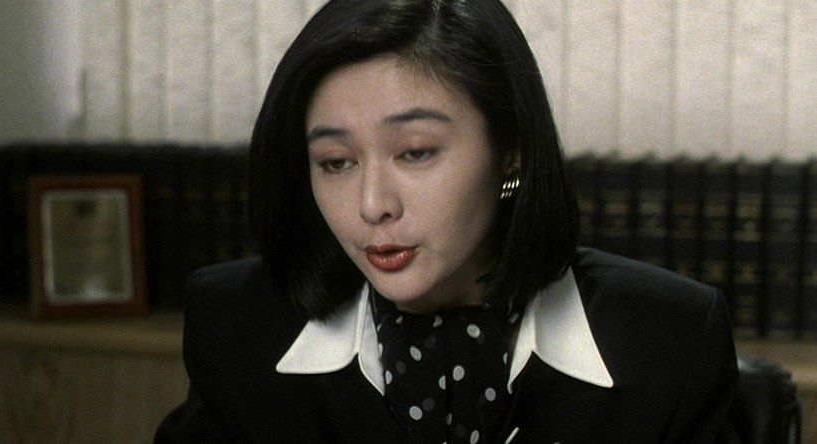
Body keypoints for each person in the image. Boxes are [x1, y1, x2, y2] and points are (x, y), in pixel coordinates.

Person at [155, 0, 738, 442]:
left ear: (510, 150)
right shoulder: (237, 327)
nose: (372, 205)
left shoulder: (671, 339)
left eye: (414, 152)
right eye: (335, 162)